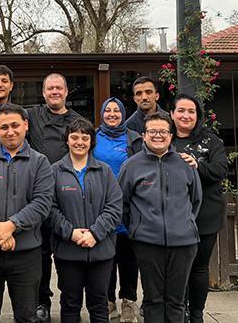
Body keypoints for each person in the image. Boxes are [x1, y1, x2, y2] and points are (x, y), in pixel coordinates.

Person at [0, 103, 54, 323]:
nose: (10, 131)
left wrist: (11, 226)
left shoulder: (40, 162)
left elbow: (42, 203)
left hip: (26, 253)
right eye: (4, 127)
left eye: (15, 125)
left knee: (26, 316)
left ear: (26, 125)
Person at [119, 113, 202, 323]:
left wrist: (184, 224)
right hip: (147, 243)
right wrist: (138, 228)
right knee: (153, 300)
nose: (158, 135)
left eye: (163, 131)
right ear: (144, 135)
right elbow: (123, 204)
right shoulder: (131, 165)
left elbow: (195, 200)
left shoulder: (185, 164)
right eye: (152, 131)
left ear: (171, 135)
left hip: (183, 243)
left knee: (176, 301)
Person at [49, 118, 122, 323]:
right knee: (70, 303)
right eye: (74, 137)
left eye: (85, 138)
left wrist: (95, 233)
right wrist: (70, 233)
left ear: (92, 142)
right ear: (67, 140)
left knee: (99, 304)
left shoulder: (104, 171)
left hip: (101, 251)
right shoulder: (54, 171)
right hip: (67, 252)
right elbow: (49, 209)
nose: (79, 142)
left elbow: (115, 207)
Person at [26, 73, 84, 321]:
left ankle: (70, 305)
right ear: (43, 92)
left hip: (67, 196)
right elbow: (2, 113)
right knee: (40, 254)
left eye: (59, 88)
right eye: (50, 88)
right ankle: (42, 302)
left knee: (67, 253)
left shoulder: (78, 121)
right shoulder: (31, 115)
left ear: (66, 91)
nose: (55, 92)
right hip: (38, 195)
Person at [170, 94, 228, 323]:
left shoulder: (211, 141)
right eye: (181, 110)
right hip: (174, 215)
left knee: (199, 267)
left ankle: (196, 314)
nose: (186, 115)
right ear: (172, 114)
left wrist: (198, 166)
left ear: (198, 115)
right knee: (177, 267)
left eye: (191, 111)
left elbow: (220, 170)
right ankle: (179, 311)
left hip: (205, 215)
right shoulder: (165, 138)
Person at [92, 97, 143, 323]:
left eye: (117, 111)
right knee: (106, 259)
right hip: (101, 207)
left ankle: (128, 301)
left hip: (128, 207)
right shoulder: (93, 137)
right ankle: (108, 301)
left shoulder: (134, 138)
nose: (112, 114)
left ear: (123, 114)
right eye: (108, 110)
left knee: (128, 259)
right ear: (102, 114)